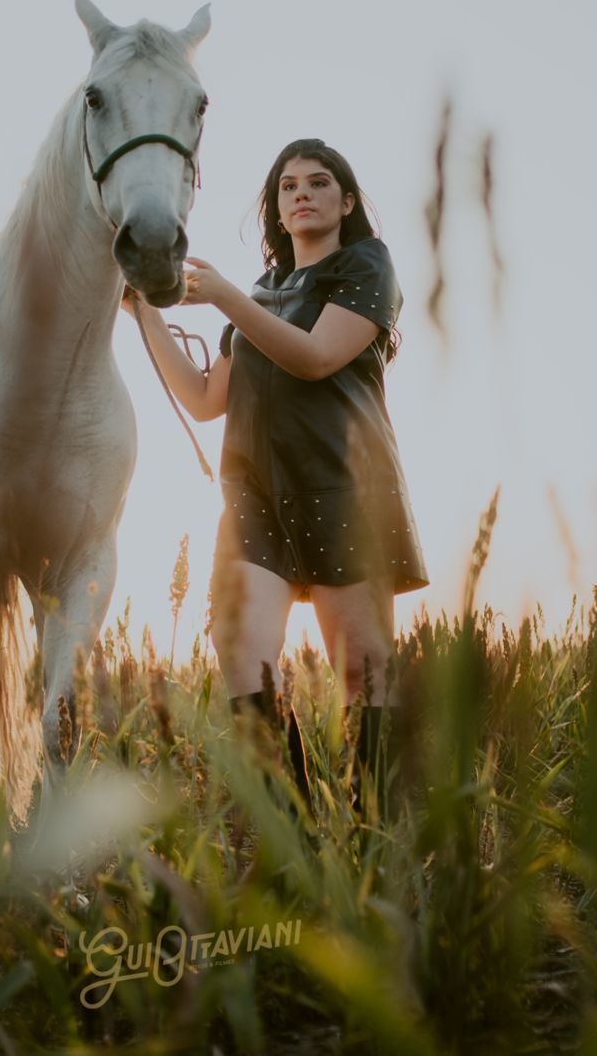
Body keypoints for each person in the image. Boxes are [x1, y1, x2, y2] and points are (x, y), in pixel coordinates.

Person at [121, 137, 428, 818]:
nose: (302, 194)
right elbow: (206, 399)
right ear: (277, 209)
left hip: (345, 487)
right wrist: (145, 312)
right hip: (254, 496)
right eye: (288, 187)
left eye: (318, 183)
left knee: (361, 670)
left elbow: (316, 358)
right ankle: (295, 837)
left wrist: (224, 297)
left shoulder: (366, 265)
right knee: (240, 650)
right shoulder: (259, 297)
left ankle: (373, 834)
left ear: (345, 203)